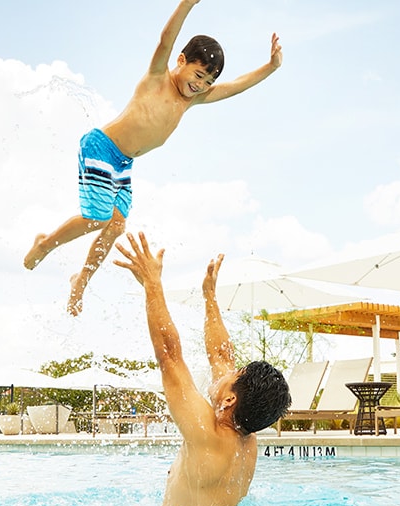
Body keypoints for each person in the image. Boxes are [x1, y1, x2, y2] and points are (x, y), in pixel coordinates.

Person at [23, 0, 283, 316]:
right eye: (198, 75)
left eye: (206, 82)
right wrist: (188, 4)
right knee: (99, 217)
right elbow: (166, 39)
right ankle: (45, 243)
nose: (199, 85)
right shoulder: (158, 77)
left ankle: (82, 278)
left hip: (123, 163)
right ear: (181, 60)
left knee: (116, 226)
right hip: (101, 147)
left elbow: (235, 88)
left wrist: (270, 68)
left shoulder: (191, 100)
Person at [113, 231, 291, 506]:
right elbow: (221, 353)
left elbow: (169, 357)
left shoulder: (207, 434)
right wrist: (209, 297)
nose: (224, 372)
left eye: (232, 375)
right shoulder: (247, 438)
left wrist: (152, 284)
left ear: (230, 400)